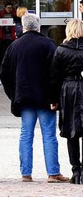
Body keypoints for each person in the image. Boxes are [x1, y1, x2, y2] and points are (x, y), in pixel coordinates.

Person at [0, 13, 68, 183]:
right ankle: (53, 173)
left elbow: (4, 75)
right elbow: (55, 73)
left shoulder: (14, 46)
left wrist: (13, 94)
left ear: (23, 26)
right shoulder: (47, 44)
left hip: (24, 97)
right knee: (49, 135)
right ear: (38, 26)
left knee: (26, 134)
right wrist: (55, 97)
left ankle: (26, 173)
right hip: (45, 98)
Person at [50, 18, 83, 184]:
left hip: (68, 90)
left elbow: (54, 77)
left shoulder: (61, 50)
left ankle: (76, 171)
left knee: (72, 132)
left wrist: (53, 99)